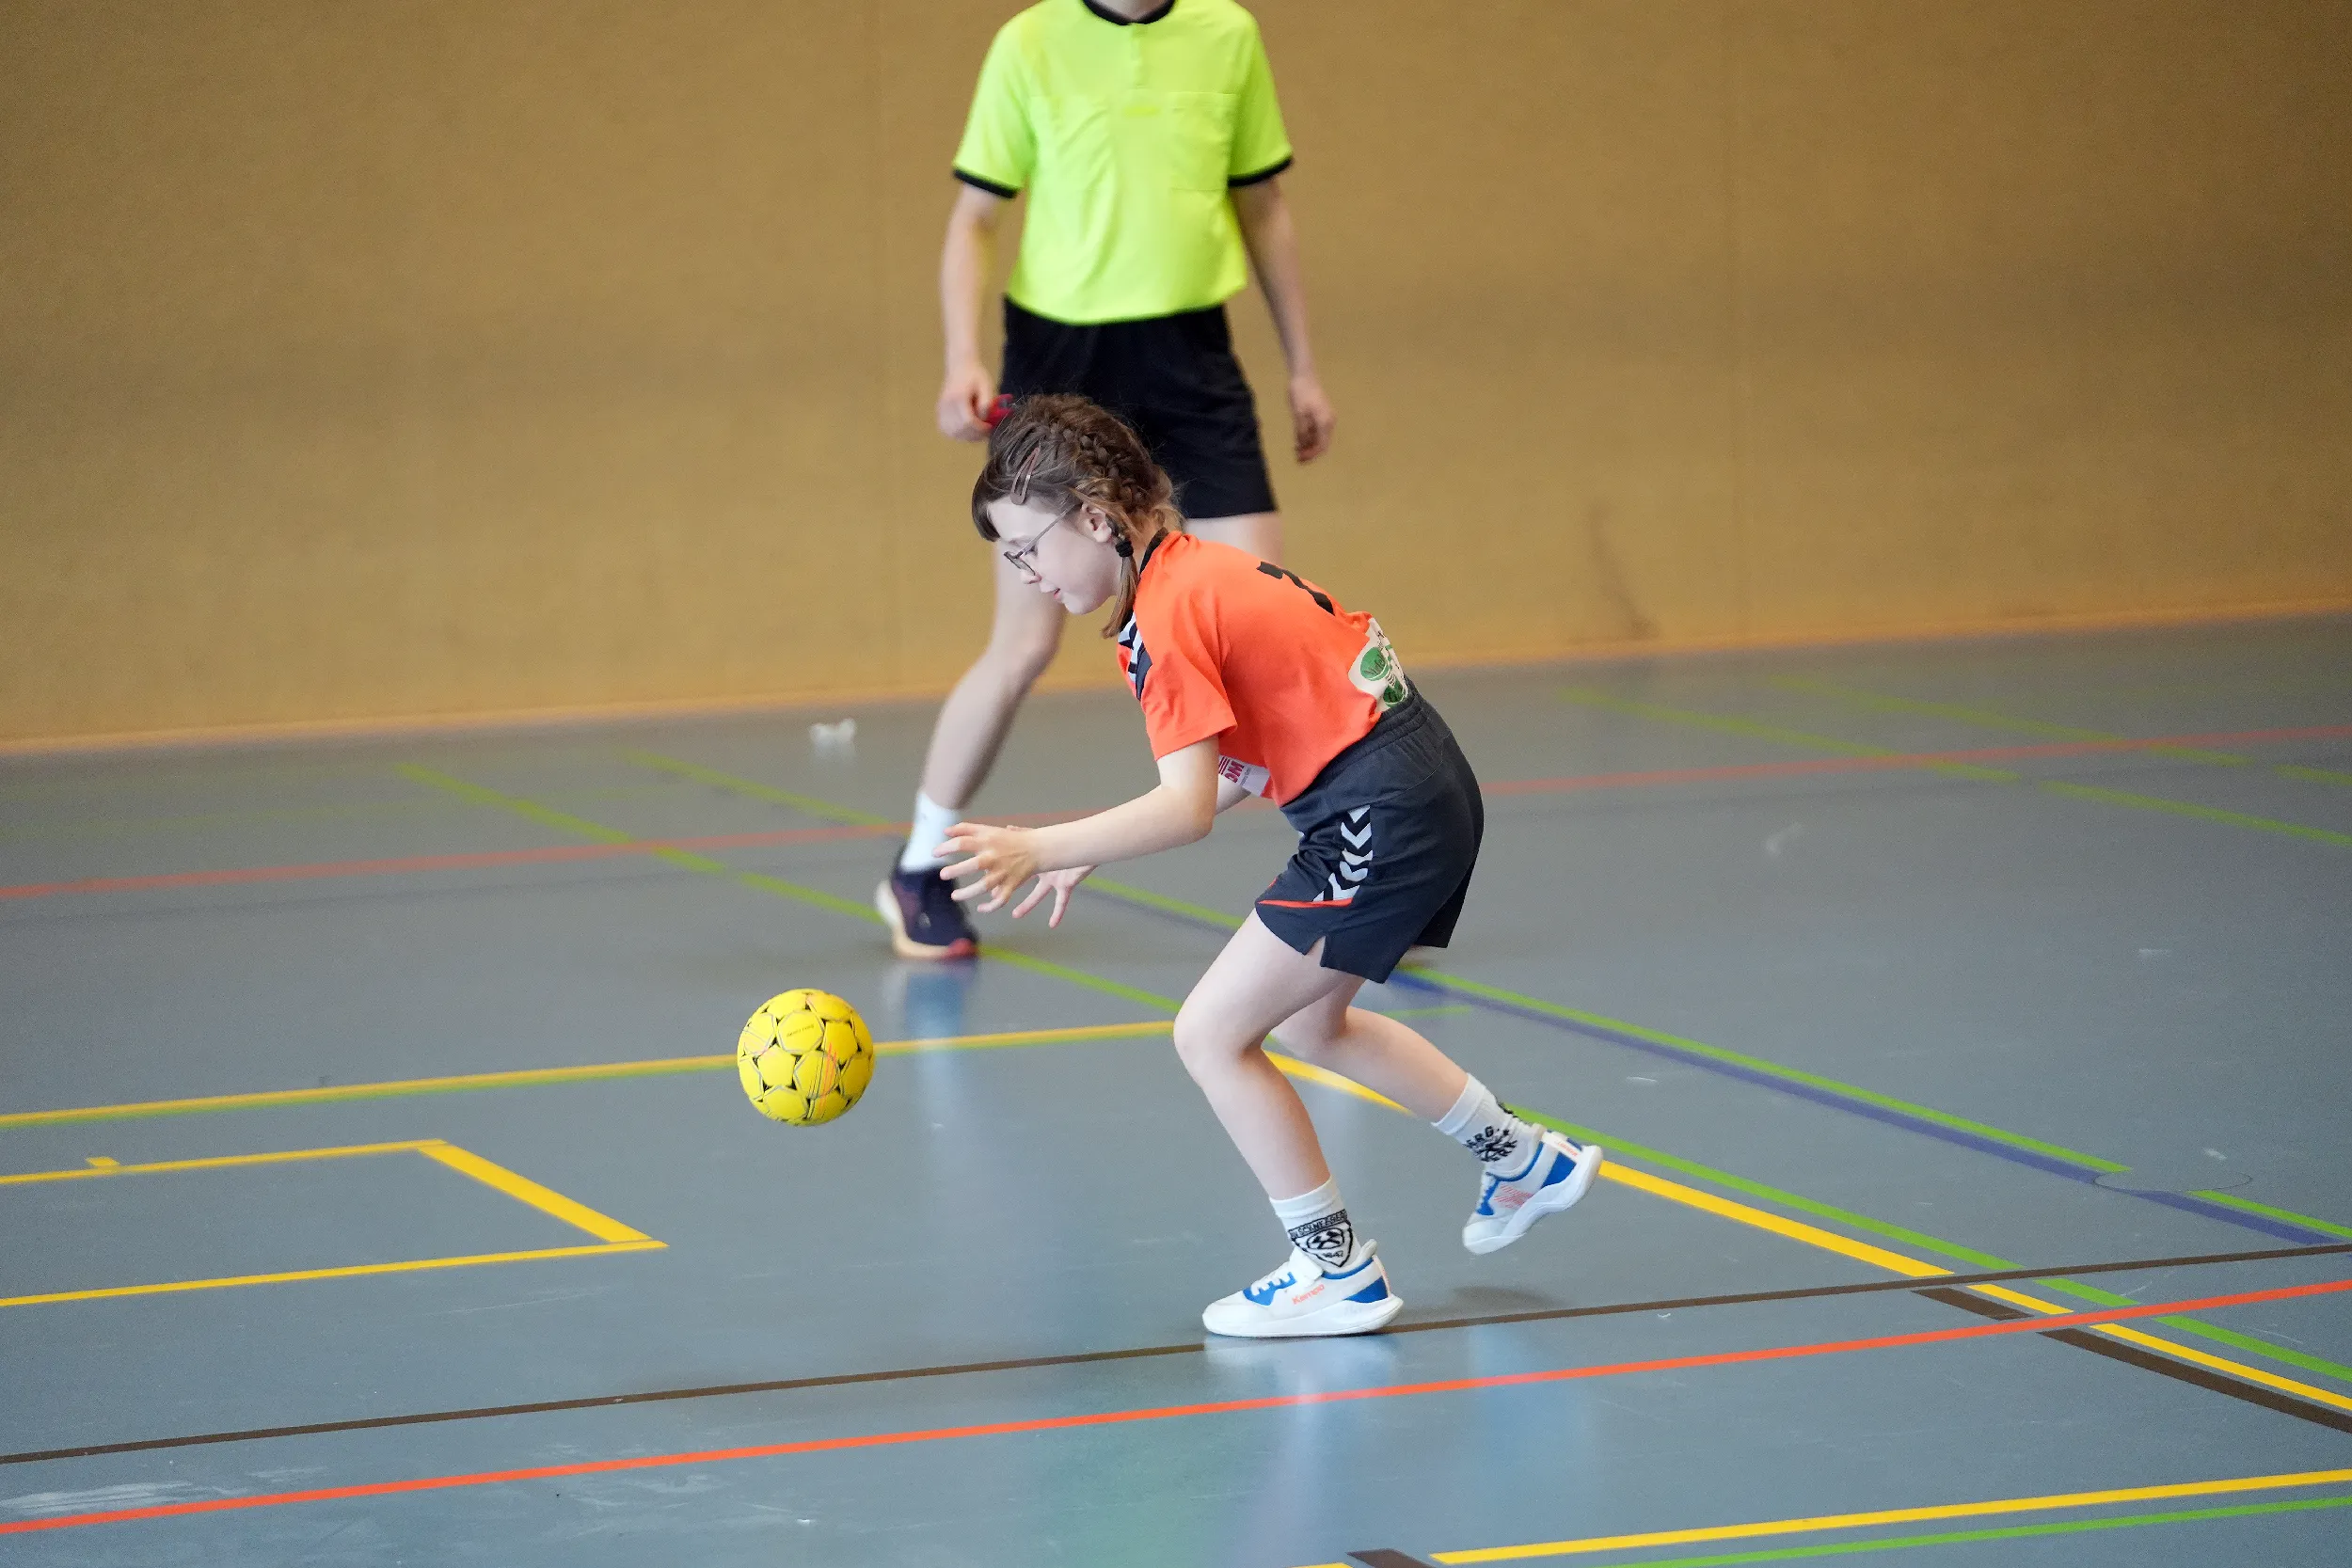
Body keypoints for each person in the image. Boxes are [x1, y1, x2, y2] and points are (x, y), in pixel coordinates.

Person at [934, 396, 1602, 1337]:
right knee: (1310, 1023)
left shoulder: (1166, 617)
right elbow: (1245, 760)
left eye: (1026, 548)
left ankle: (1336, 1269)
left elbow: (1185, 808)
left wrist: (1045, 843)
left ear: (1095, 515)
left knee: (1210, 1034)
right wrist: (1089, 844)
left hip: (1380, 810)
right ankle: (1522, 1160)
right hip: (1418, 782)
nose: (1026, 573)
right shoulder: (1195, 572)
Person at [879, 0, 1336, 959]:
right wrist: (962, 355)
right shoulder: (1031, 42)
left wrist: (1302, 365)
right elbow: (973, 220)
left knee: (1270, 616)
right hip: (1061, 355)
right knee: (1023, 642)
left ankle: (1347, 868)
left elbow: (1264, 207)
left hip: (1191, 352)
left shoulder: (1227, 36)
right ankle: (918, 866)